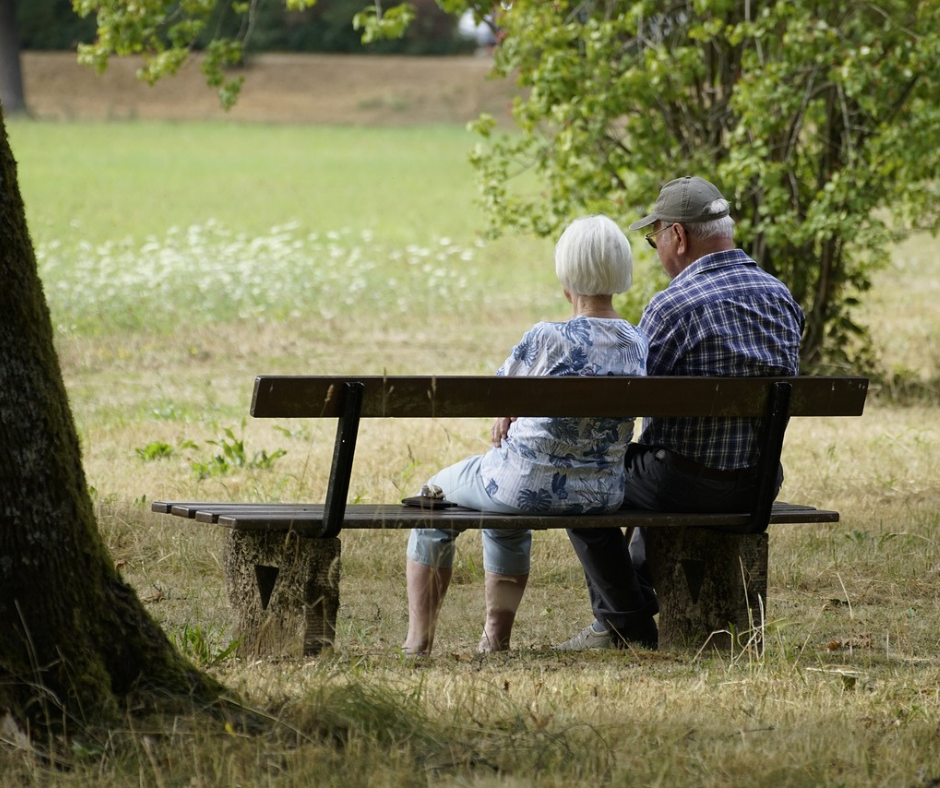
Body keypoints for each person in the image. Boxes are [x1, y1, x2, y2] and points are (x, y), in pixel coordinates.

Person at [557, 176, 805, 652]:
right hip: (758, 484)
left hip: (682, 484)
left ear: (678, 235)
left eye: (655, 241)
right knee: (656, 461)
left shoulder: (672, 306)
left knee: (579, 477)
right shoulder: (781, 298)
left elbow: (629, 399)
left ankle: (625, 622)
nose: (657, 252)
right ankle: (630, 602)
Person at [402, 215, 648, 657]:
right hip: (600, 493)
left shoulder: (547, 337)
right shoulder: (636, 342)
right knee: (503, 513)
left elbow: (498, 394)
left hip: (523, 486)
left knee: (432, 500)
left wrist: (506, 412)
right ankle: (495, 640)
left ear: (566, 276)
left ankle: (418, 642)